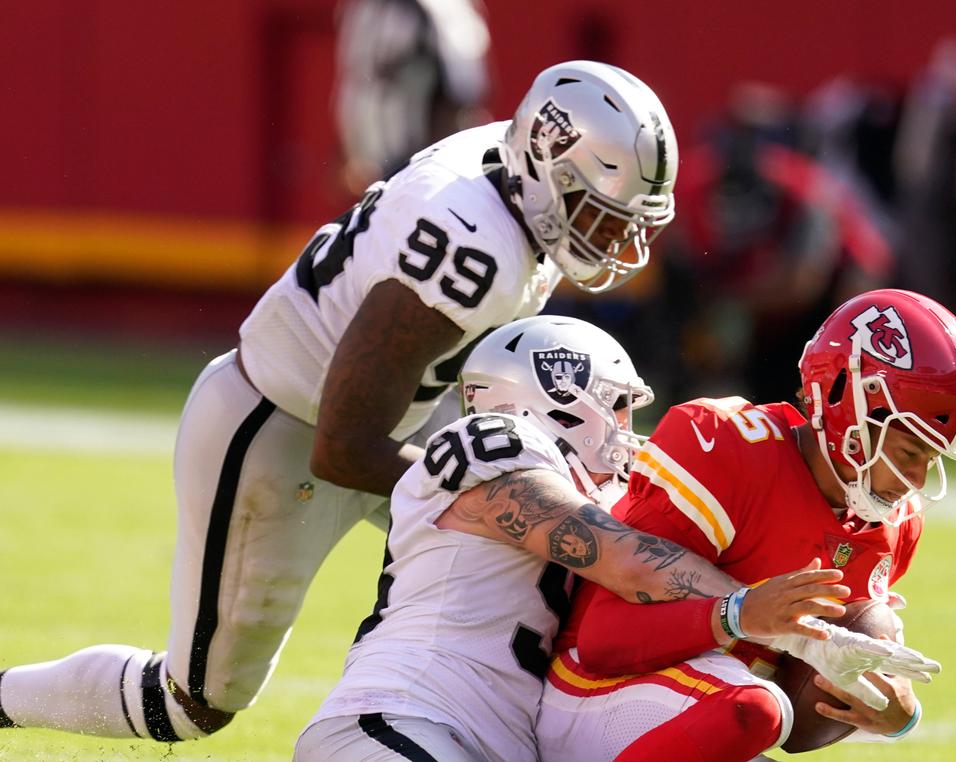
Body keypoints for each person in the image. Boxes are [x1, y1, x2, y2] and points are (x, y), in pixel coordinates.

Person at [0, 60, 681, 743]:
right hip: (281, 436)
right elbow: (344, 447)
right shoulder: (472, 244)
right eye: (602, 214)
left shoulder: (512, 171)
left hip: (396, 417)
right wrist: (499, 489)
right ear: (544, 167)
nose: (619, 240)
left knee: (564, 563)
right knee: (192, 704)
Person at [293, 314, 933, 761]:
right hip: (405, 717)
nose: (628, 426)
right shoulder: (489, 444)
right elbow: (625, 559)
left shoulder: (600, 489)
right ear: (559, 395)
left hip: (505, 743)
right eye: (617, 404)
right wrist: (778, 624)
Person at [536, 289, 956, 761]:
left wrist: (896, 711)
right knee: (755, 707)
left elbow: (807, 705)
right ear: (848, 407)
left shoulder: (896, 523)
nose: (916, 480)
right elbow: (604, 638)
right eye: (910, 452)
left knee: (758, 707)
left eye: (930, 458)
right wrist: (737, 614)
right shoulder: (726, 451)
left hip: (706, 715)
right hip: (594, 690)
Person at [333, 0, 492, 196]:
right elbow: (357, 83)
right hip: (378, 160)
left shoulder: (443, 9)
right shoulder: (364, 9)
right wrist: (352, 151)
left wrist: (440, 159)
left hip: (419, 161)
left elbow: (462, 91)